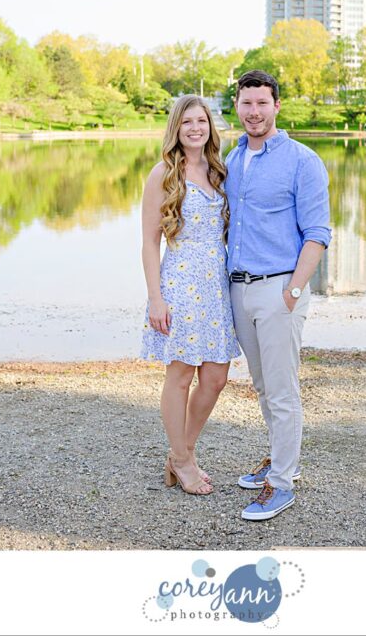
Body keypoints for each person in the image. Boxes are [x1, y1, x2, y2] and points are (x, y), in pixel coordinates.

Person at [225, 70, 332, 521]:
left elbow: (318, 233)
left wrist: (292, 290)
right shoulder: (232, 159)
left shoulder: (302, 160)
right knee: (264, 387)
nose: (254, 112)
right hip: (239, 288)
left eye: (262, 103)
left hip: (279, 289)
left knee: (283, 390)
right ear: (237, 106)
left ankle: (282, 484)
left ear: (276, 106)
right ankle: (279, 457)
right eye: (246, 103)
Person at [140, 95, 242, 496]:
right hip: (179, 284)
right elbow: (149, 243)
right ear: (176, 130)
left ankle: (181, 451)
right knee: (181, 375)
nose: (195, 128)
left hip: (216, 286)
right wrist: (155, 298)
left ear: (210, 126)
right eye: (187, 123)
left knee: (215, 378)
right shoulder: (163, 173)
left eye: (201, 120)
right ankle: (183, 462)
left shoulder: (219, 170)